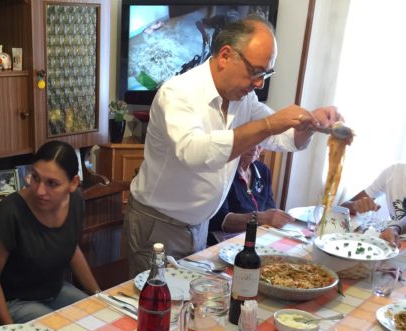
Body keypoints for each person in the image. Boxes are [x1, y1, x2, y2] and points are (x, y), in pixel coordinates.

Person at [124, 15, 346, 276]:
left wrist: (308, 123)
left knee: (189, 308)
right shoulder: (178, 93)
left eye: (266, 73)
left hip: (200, 225)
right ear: (226, 55)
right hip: (158, 225)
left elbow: (281, 137)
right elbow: (195, 153)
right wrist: (269, 125)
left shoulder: (244, 99)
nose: (259, 83)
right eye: (256, 72)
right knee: (156, 308)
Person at [0, 140, 100, 325]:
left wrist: (98, 295)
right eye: (35, 178)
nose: (39, 191)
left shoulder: (75, 200)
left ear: (73, 183)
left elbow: (70, 247)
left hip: (54, 290)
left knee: (97, 317)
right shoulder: (9, 213)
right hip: (15, 301)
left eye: (52, 183)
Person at [207, 144, 293, 244]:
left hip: (257, 239)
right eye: (250, 141)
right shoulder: (223, 172)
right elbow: (221, 221)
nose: (255, 147)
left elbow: (269, 208)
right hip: (224, 242)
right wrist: (261, 218)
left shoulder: (263, 170)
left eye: (261, 142)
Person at [341, 162, 406, 247]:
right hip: (395, 243)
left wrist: (395, 228)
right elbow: (342, 208)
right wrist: (356, 205)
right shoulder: (394, 173)